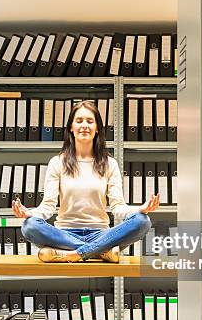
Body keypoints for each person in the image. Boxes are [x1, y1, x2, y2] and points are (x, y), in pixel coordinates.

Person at [12, 100, 160, 263]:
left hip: (101, 234)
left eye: (90, 121)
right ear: (71, 127)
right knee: (29, 225)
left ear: (97, 129)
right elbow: (48, 206)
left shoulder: (110, 164)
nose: (84, 125)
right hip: (65, 234)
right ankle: (99, 252)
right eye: (79, 121)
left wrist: (140, 209)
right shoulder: (57, 162)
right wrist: (29, 214)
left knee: (142, 221)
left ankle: (73, 254)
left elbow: (118, 207)